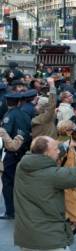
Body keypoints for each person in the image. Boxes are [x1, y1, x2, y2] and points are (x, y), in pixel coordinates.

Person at [0, 134, 76, 251]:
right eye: (55, 149)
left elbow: (48, 152)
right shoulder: (52, 174)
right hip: (47, 237)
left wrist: (70, 143)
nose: (58, 151)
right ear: (46, 153)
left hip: (27, 234)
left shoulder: (23, 165)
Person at [0, 90, 32, 219]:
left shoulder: (9, 115)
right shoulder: (25, 115)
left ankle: (10, 211)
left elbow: (5, 134)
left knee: (7, 182)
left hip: (12, 152)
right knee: (21, 182)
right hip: (24, 151)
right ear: (19, 102)